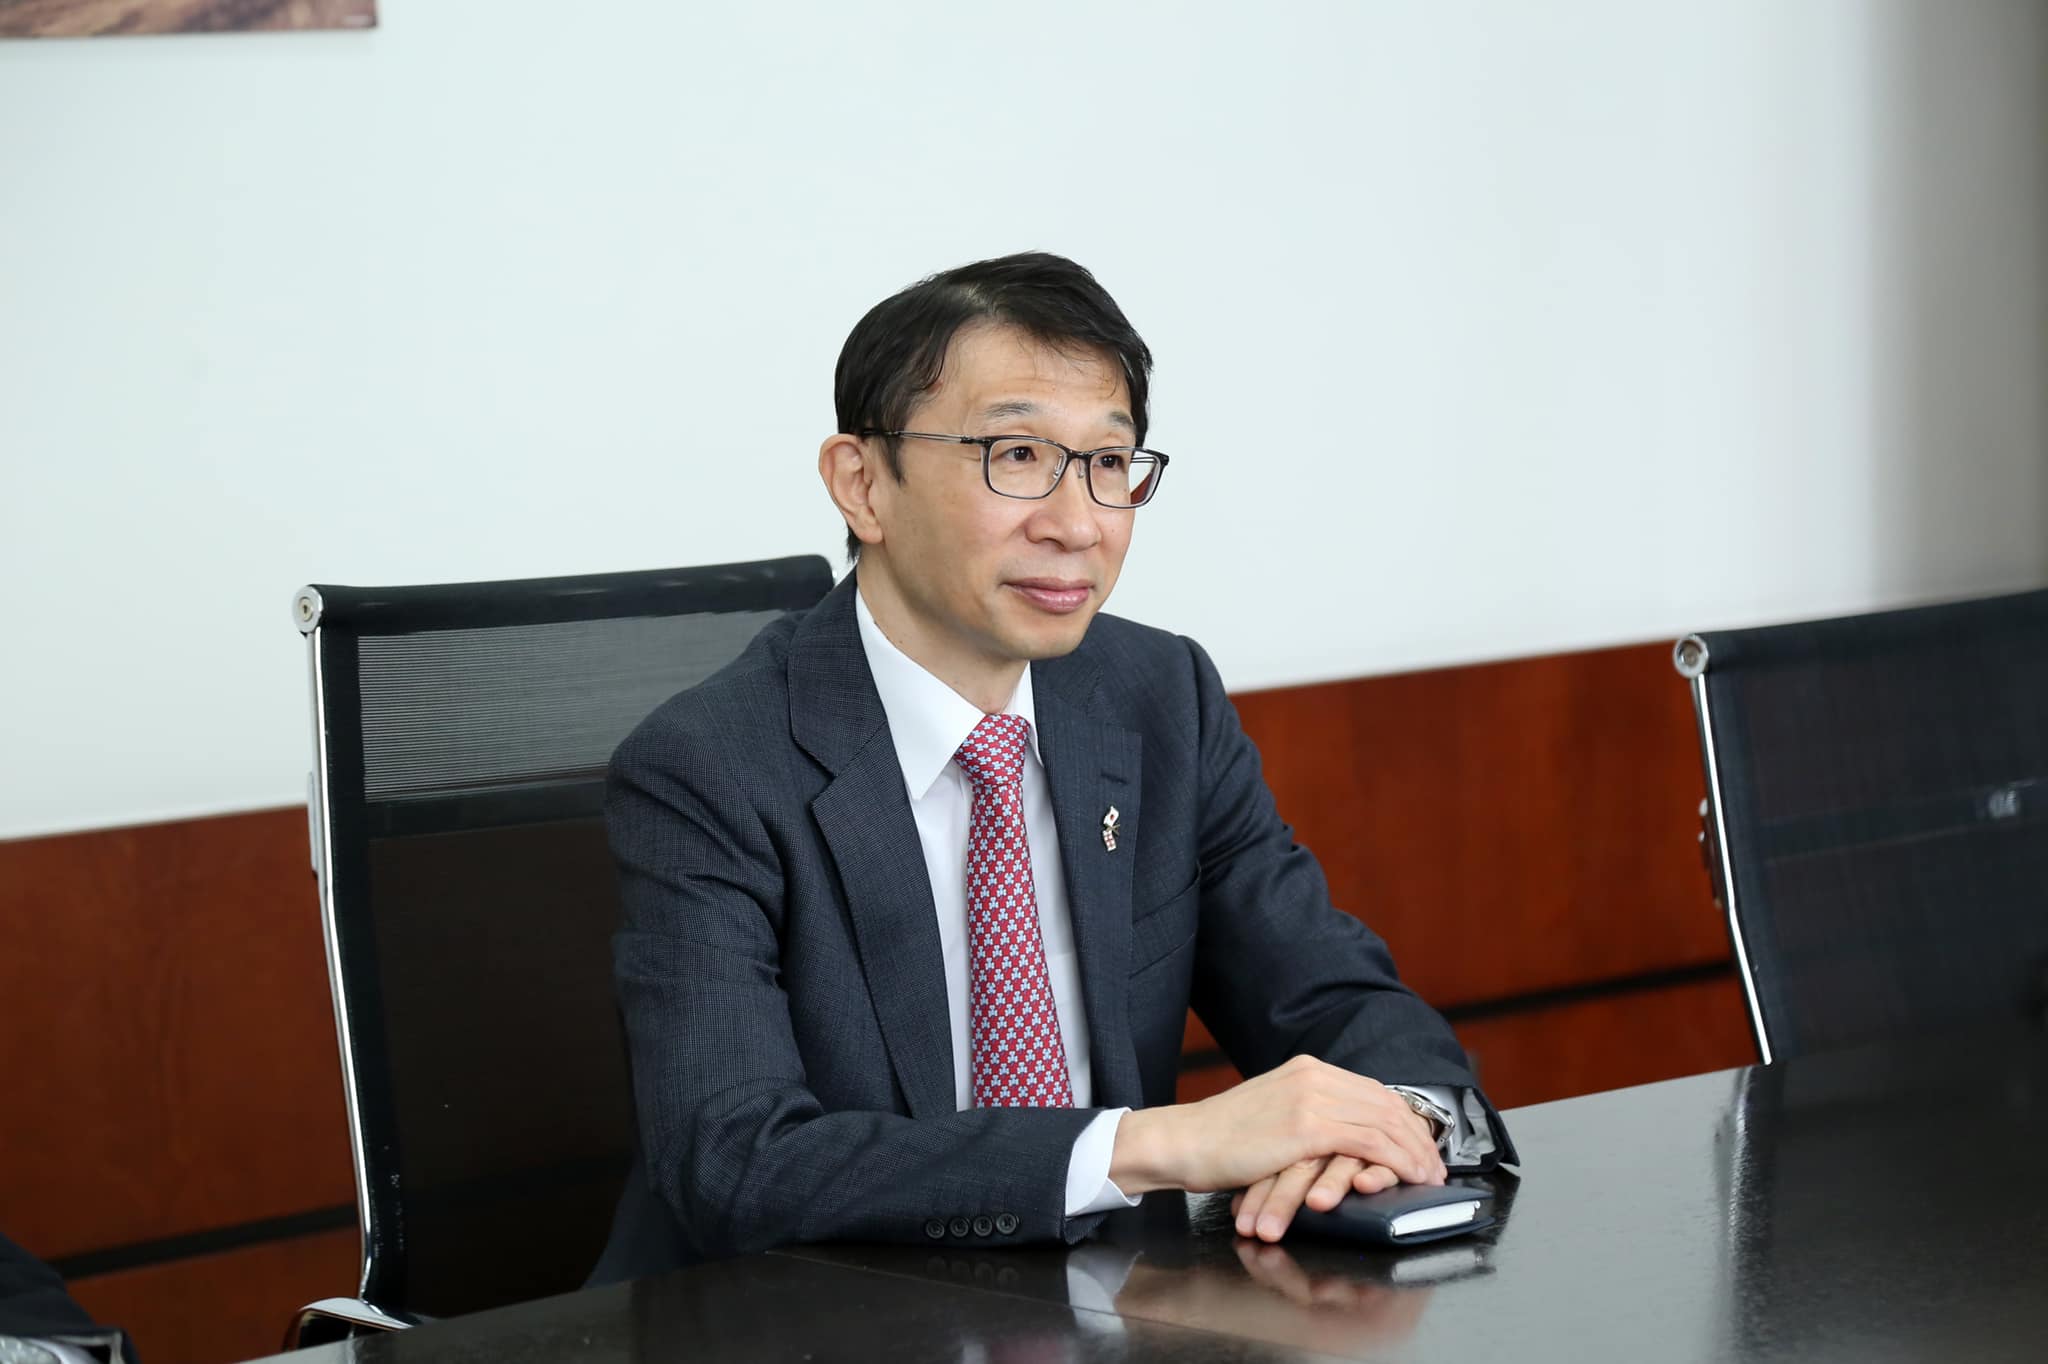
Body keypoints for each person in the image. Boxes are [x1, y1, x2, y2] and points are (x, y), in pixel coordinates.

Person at [590, 251, 1514, 1281]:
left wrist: (1384, 1123)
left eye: (1108, 463)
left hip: (1106, 1305)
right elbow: (734, 1162)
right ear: (863, 483)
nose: (1077, 524)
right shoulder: (707, 765)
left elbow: (1334, 998)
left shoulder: (1159, 698)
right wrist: (1147, 1146)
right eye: (1017, 453)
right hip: (809, 1315)